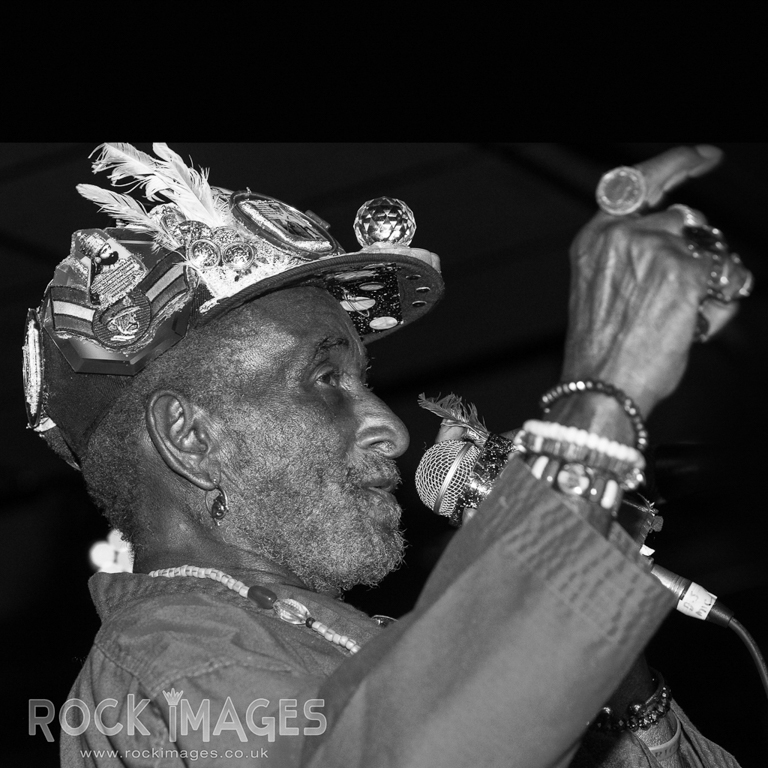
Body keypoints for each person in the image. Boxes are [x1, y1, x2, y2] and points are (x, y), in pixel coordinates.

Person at [23, 143, 751, 766]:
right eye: (324, 381)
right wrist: (598, 398)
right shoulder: (171, 661)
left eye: (363, 381)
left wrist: (612, 665)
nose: (393, 431)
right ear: (191, 438)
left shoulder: (377, 658)